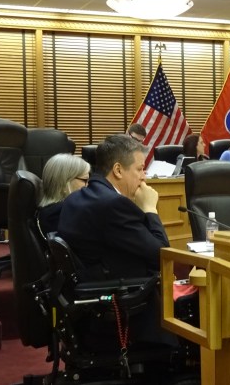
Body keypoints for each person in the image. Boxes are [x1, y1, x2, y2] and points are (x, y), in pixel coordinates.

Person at [57, 134, 177, 347]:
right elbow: (162, 255)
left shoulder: (77, 197)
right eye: (140, 169)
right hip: (121, 309)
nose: (144, 178)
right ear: (118, 170)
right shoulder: (113, 205)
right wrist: (150, 209)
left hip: (87, 307)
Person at [38, 154, 90, 236]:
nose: (87, 185)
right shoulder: (58, 214)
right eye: (85, 180)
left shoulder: (52, 211)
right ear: (64, 183)